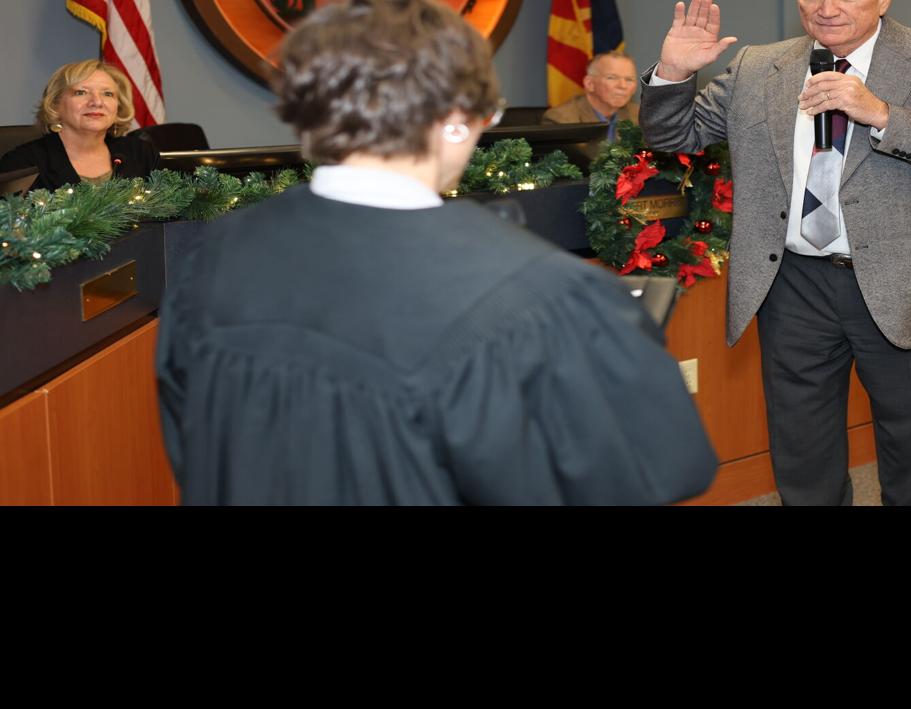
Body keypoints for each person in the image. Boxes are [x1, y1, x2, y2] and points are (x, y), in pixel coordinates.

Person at [155, 0, 718, 505]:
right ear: (455, 123)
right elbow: (659, 470)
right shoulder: (538, 294)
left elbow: (191, 433)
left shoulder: (215, 255)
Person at [640, 0, 911, 506]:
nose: (826, 6)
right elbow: (673, 136)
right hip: (793, 285)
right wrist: (673, 75)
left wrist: (882, 115)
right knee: (802, 452)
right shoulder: (757, 65)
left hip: (910, 281)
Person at [0, 59, 160, 192]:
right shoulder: (22, 164)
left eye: (108, 94)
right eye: (81, 92)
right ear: (55, 104)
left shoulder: (142, 154)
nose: (97, 102)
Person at [543, 51, 640, 142]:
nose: (622, 86)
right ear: (590, 84)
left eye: (629, 80)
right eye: (612, 78)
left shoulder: (640, 116)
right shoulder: (562, 120)